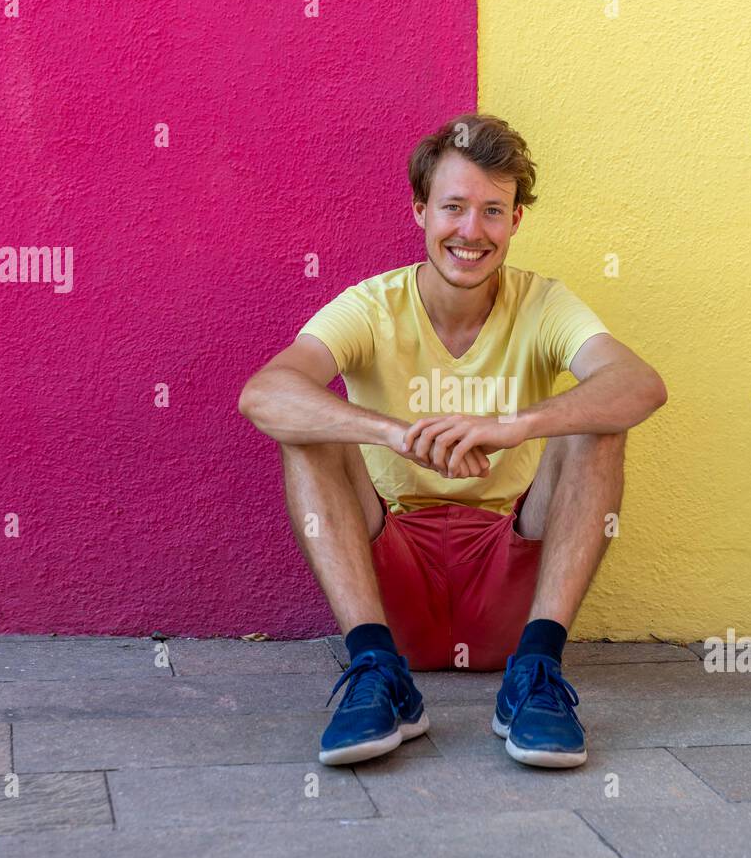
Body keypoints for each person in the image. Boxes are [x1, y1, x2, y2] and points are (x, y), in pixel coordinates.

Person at [238, 113, 667, 769]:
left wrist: (514, 426)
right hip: (393, 581)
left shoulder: (544, 303)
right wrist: (395, 434)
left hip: (509, 583)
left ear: (516, 220)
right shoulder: (371, 306)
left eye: (493, 210)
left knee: (599, 421)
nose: (472, 231)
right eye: (455, 207)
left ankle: (536, 678)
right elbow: (263, 394)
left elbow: (641, 384)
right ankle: (379, 673)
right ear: (420, 211)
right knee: (307, 427)